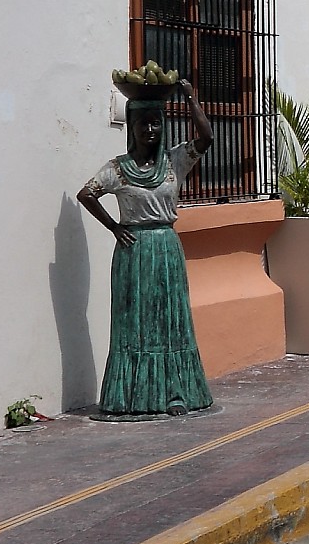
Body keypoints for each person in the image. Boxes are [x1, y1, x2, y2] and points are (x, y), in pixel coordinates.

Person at [78, 67, 215, 416]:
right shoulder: (117, 168)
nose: (150, 130)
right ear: (133, 128)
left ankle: (176, 393)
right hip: (134, 250)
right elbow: (87, 194)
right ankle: (131, 397)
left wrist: (189, 96)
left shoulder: (173, 161)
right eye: (144, 124)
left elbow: (207, 138)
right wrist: (112, 226)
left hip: (166, 248)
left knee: (172, 321)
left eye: (156, 123)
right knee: (134, 324)